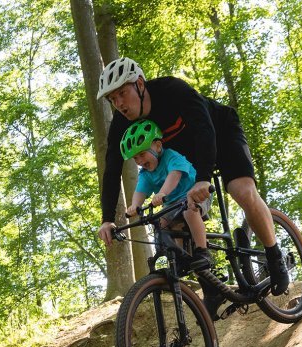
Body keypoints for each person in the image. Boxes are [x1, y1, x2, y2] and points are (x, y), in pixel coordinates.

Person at [95, 57, 289, 319]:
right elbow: (112, 168)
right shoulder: (121, 123)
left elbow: (204, 128)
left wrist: (203, 177)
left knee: (241, 191)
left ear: (139, 84)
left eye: (122, 93)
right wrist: (107, 218)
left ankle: (274, 255)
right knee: (175, 221)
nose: (118, 104)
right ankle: (211, 286)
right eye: (112, 99)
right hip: (184, 158)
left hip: (220, 132)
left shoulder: (172, 90)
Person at [121, 119, 212, 268]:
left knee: (190, 211)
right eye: (135, 158)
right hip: (173, 204)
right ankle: (180, 257)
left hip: (195, 194)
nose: (139, 161)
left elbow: (174, 175)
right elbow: (140, 191)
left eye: (142, 154)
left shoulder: (171, 156)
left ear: (157, 146)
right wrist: (134, 206)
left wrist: (162, 192)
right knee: (160, 223)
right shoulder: (145, 174)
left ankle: (202, 251)